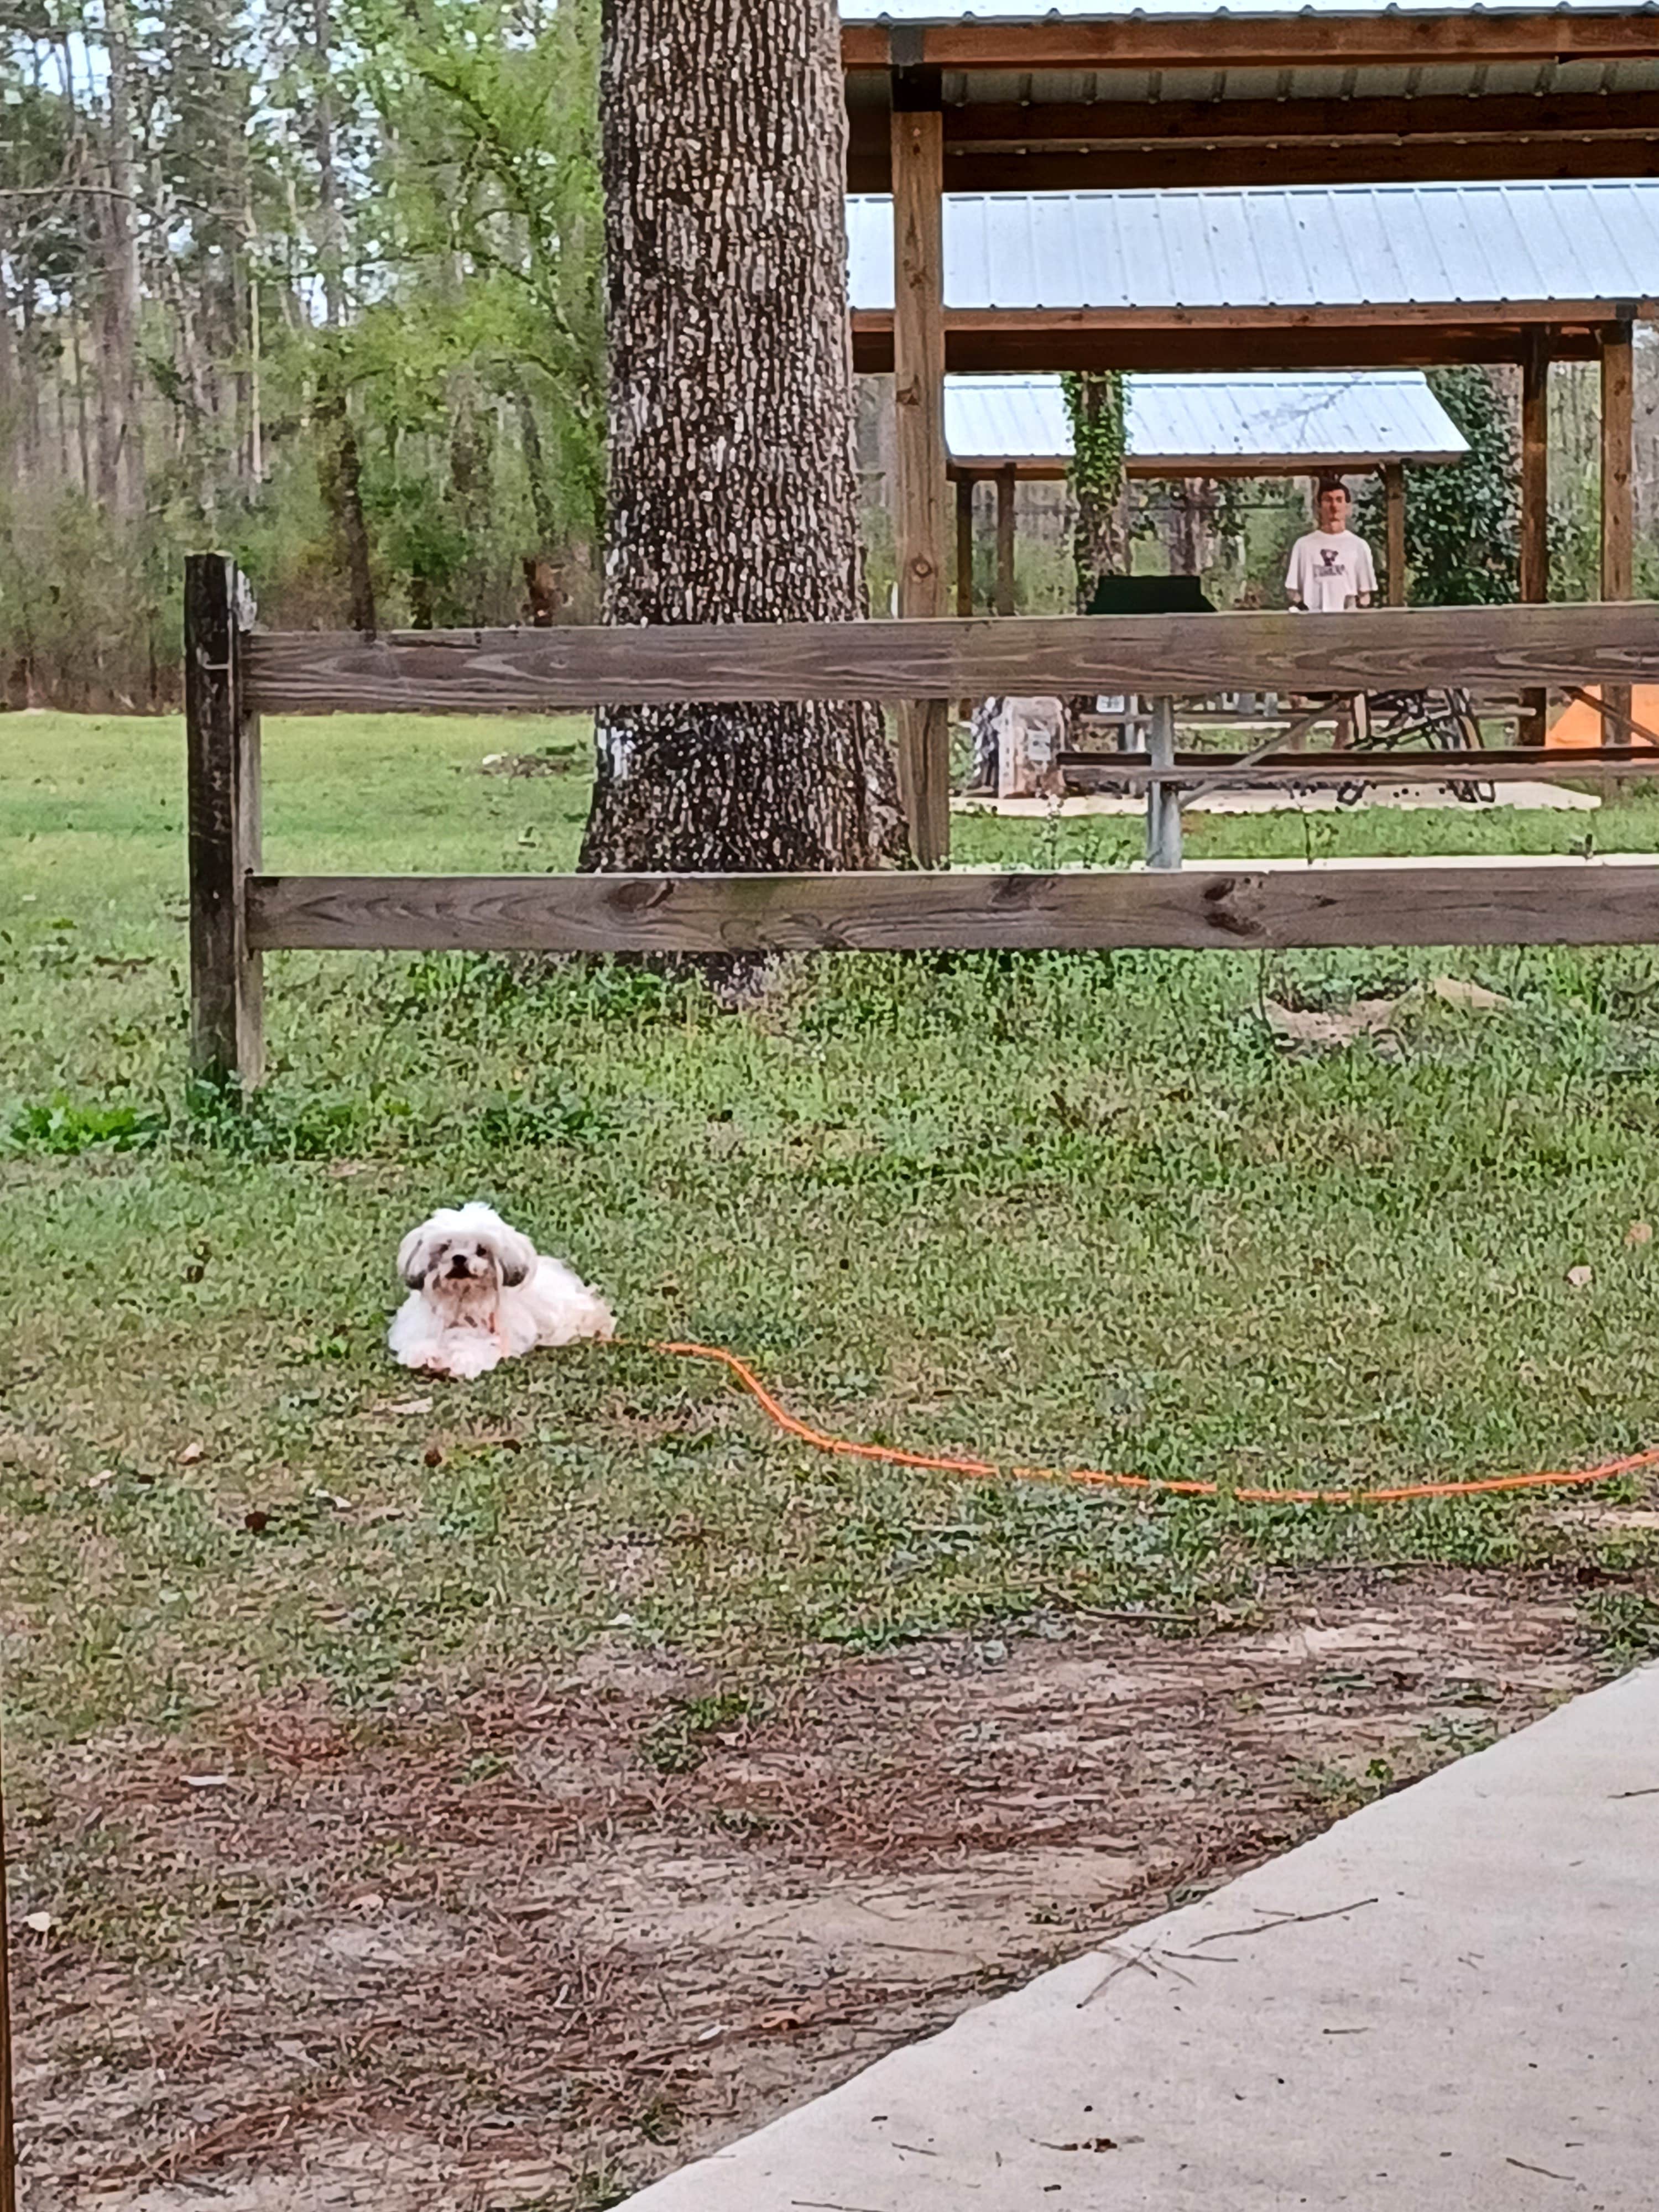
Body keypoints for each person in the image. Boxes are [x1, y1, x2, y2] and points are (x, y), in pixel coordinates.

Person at [1285, 479, 1377, 613]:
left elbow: (1365, 595)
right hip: (1313, 625)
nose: (1334, 506)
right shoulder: (1303, 546)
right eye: (1328, 500)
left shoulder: (1359, 546)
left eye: (1339, 500)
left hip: (1348, 626)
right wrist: (1305, 610)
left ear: (1348, 507)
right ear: (1319, 507)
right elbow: (1293, 591)